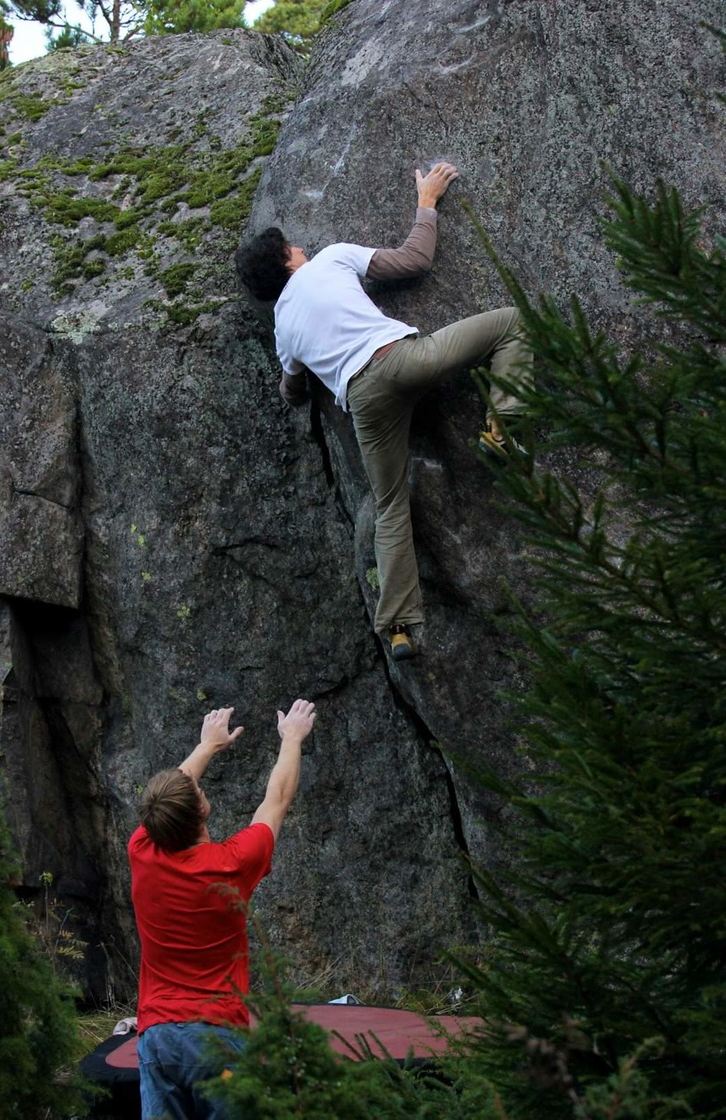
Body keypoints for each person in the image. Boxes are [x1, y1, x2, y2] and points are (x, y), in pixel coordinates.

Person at [236, 163, 533, 661]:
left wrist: (301, 370)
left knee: (390, 504)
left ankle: (398, 626)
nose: (300, 248)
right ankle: (501, 428)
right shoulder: (330, 260)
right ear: (287, 260)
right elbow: (416, 260)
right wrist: (427, 203)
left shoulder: (283, 328)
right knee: (512, 323)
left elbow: (292, 393)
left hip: (364, 405)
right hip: (400, 358)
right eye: (291, 246)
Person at [128, 698, 316, 1120]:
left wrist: (207, 746)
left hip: (156, 1037)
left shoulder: (141, 850)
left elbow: (168, 799)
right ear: (200, 812)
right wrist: (292, 738)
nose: (195, 782)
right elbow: (277, 799)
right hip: (216, 1038)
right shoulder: (230, 865)